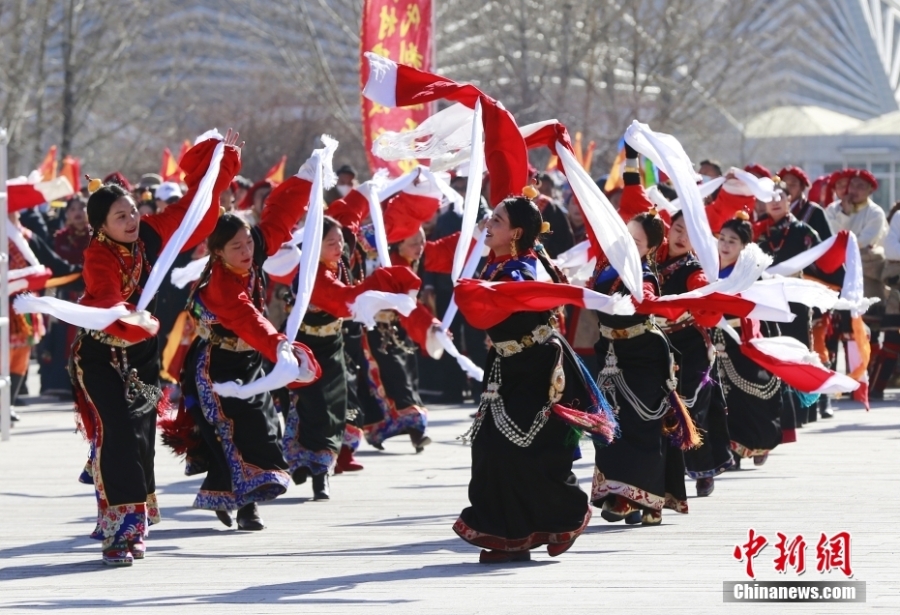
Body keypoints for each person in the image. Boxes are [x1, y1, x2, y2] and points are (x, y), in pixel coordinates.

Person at [68, 131, 241, 565]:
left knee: (141, 439)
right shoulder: (98, 256)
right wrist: (131, 317)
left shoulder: (148, 234)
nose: (130, 220)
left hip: (142, 357)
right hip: (101, 357)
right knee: (119, 434)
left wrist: (215, 169)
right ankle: (120, 532)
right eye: (119, 217)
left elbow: (193, 216)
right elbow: (106, 298)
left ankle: (132, 520)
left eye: (131, 212)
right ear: (100, 226)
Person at [453, 195, 613, 563]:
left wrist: (494, 291)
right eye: (489, 218)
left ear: (516, 233)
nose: (488, 224)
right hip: (503, 366)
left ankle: (564, 516)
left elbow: (523, 290)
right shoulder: (497, 262)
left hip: (537, 367)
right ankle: (506, 535)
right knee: (491, 450)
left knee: (527, 452)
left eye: (497, 220)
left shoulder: (523, 268)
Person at [169, 171, 319, 531]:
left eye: (249, 244)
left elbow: (279, 218)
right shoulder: (220, 283)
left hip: (250, 361)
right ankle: (244, 505)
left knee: (265, 426)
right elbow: (248, 318)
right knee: (230, 431)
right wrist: (279, 345)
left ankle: (240, 501)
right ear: (216, 252)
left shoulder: (253, 250)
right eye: (236, 247)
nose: (247, 252)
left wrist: (308, 177)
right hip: (216, 366)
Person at [282, 215, 422, 499]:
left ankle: (321, 473)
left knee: (333, 408)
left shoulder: (339, 266)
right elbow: (343, 300)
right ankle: (301, 461)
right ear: (313, 245)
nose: (339, 247)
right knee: (308, 405)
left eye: (340, 241)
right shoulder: (311, 273)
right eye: (331, 242)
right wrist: (385, 280)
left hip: (334, 345)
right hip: (307, 348)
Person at [591, 210, 690, 526]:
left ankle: (641, 499)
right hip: (609, 352)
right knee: (611, 424)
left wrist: (644, 299)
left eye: (635, 241)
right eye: (625, 235)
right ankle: (617, 494)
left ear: (649, 248)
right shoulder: (607, 267)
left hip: (643, 354)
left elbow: (647, 297)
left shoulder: (643, 274)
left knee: (641, 424)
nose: (626, 244)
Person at [655, 211, 733, 497]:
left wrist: (708, 296)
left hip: (689, 346)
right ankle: (659, 476)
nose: (681, 237)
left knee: (691, 412)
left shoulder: (694, 270)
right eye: (677, 229)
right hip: (655, 344)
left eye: (689, 233)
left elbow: (707, 305)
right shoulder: (652, 256)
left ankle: (704, 470)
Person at [714, 214, 783, 468]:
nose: (725, 245)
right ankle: (727, 450)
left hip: (742, 340)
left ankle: (757, 443)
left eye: (732, 241)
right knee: (721, 398)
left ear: (744, 246)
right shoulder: (707, 270)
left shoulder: (752, 274)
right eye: (722, 238)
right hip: (712, 340)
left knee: (752, 395)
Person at [756, 181, 821, 429]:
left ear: (788, 199)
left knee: (800, 349)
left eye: (779, 196)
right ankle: (781, 411)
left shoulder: (802, 230)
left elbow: (821, 258)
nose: (774, 201)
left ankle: (804, 410)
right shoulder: (757, 231)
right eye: (769, 197)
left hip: (795, 296)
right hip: (767, 297)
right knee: (774, 348)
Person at [779, 166, 832, 241]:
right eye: (784, 184)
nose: (788, 188)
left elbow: (827, 242)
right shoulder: (775, 210)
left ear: (802, 187)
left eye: (793, 184)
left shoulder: (816, 212)